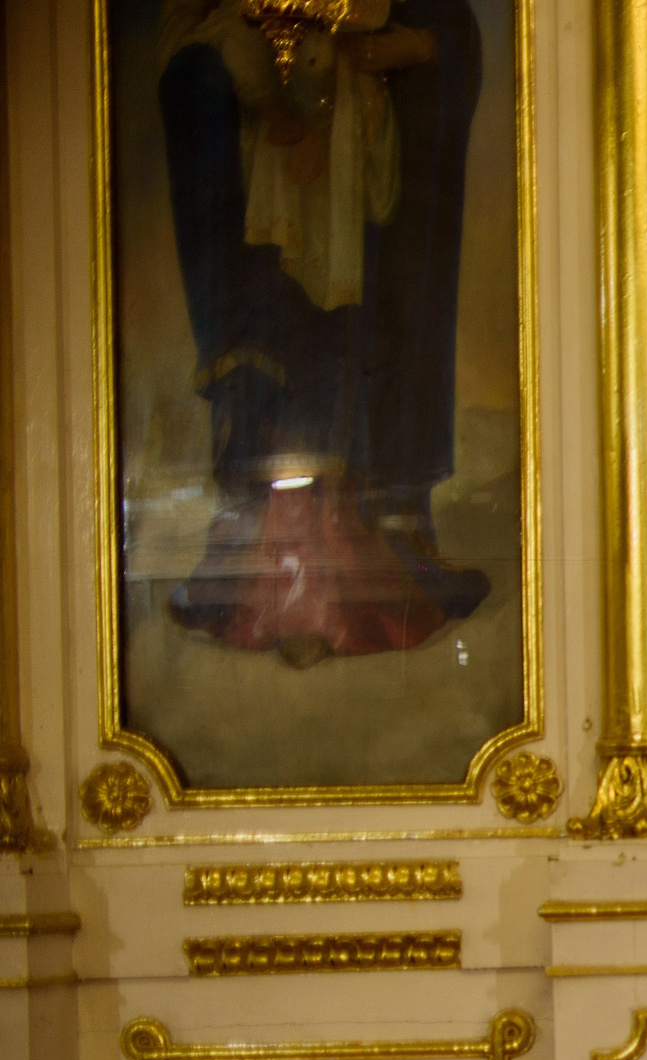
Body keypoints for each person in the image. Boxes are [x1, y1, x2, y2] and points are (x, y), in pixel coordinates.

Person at [154, 0, 491, 663]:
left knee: (346, 330)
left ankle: (379, 539)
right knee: (278, 329)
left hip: (354, 161)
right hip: (270, 168)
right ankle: (265, 570)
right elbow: (190, 45)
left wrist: (413, 49)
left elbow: (444, 32)